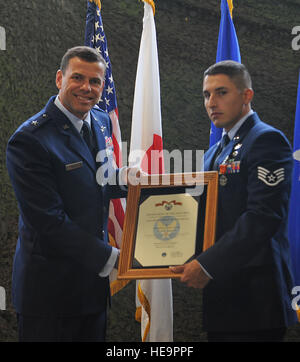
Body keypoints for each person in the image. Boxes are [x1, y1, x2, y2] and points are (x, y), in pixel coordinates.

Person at [6, 46, 131, 342]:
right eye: (78, 78)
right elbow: (48, 222)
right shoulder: (30, 140)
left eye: (95, 81)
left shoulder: (99, 121)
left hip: (92, 291)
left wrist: (132, 182)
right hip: (50, 296)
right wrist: (115, 258)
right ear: (60, 78)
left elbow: (95, 179)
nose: (87, 88)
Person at [171, 60, 297, 342]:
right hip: (223, 296)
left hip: (256, 301)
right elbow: (200, 211)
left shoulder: (266, 140)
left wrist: (206, 265)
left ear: (246, 96)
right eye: (206, 95)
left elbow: (262, 218)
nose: (211, 102)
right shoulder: (217, 150)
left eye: (221, 92)